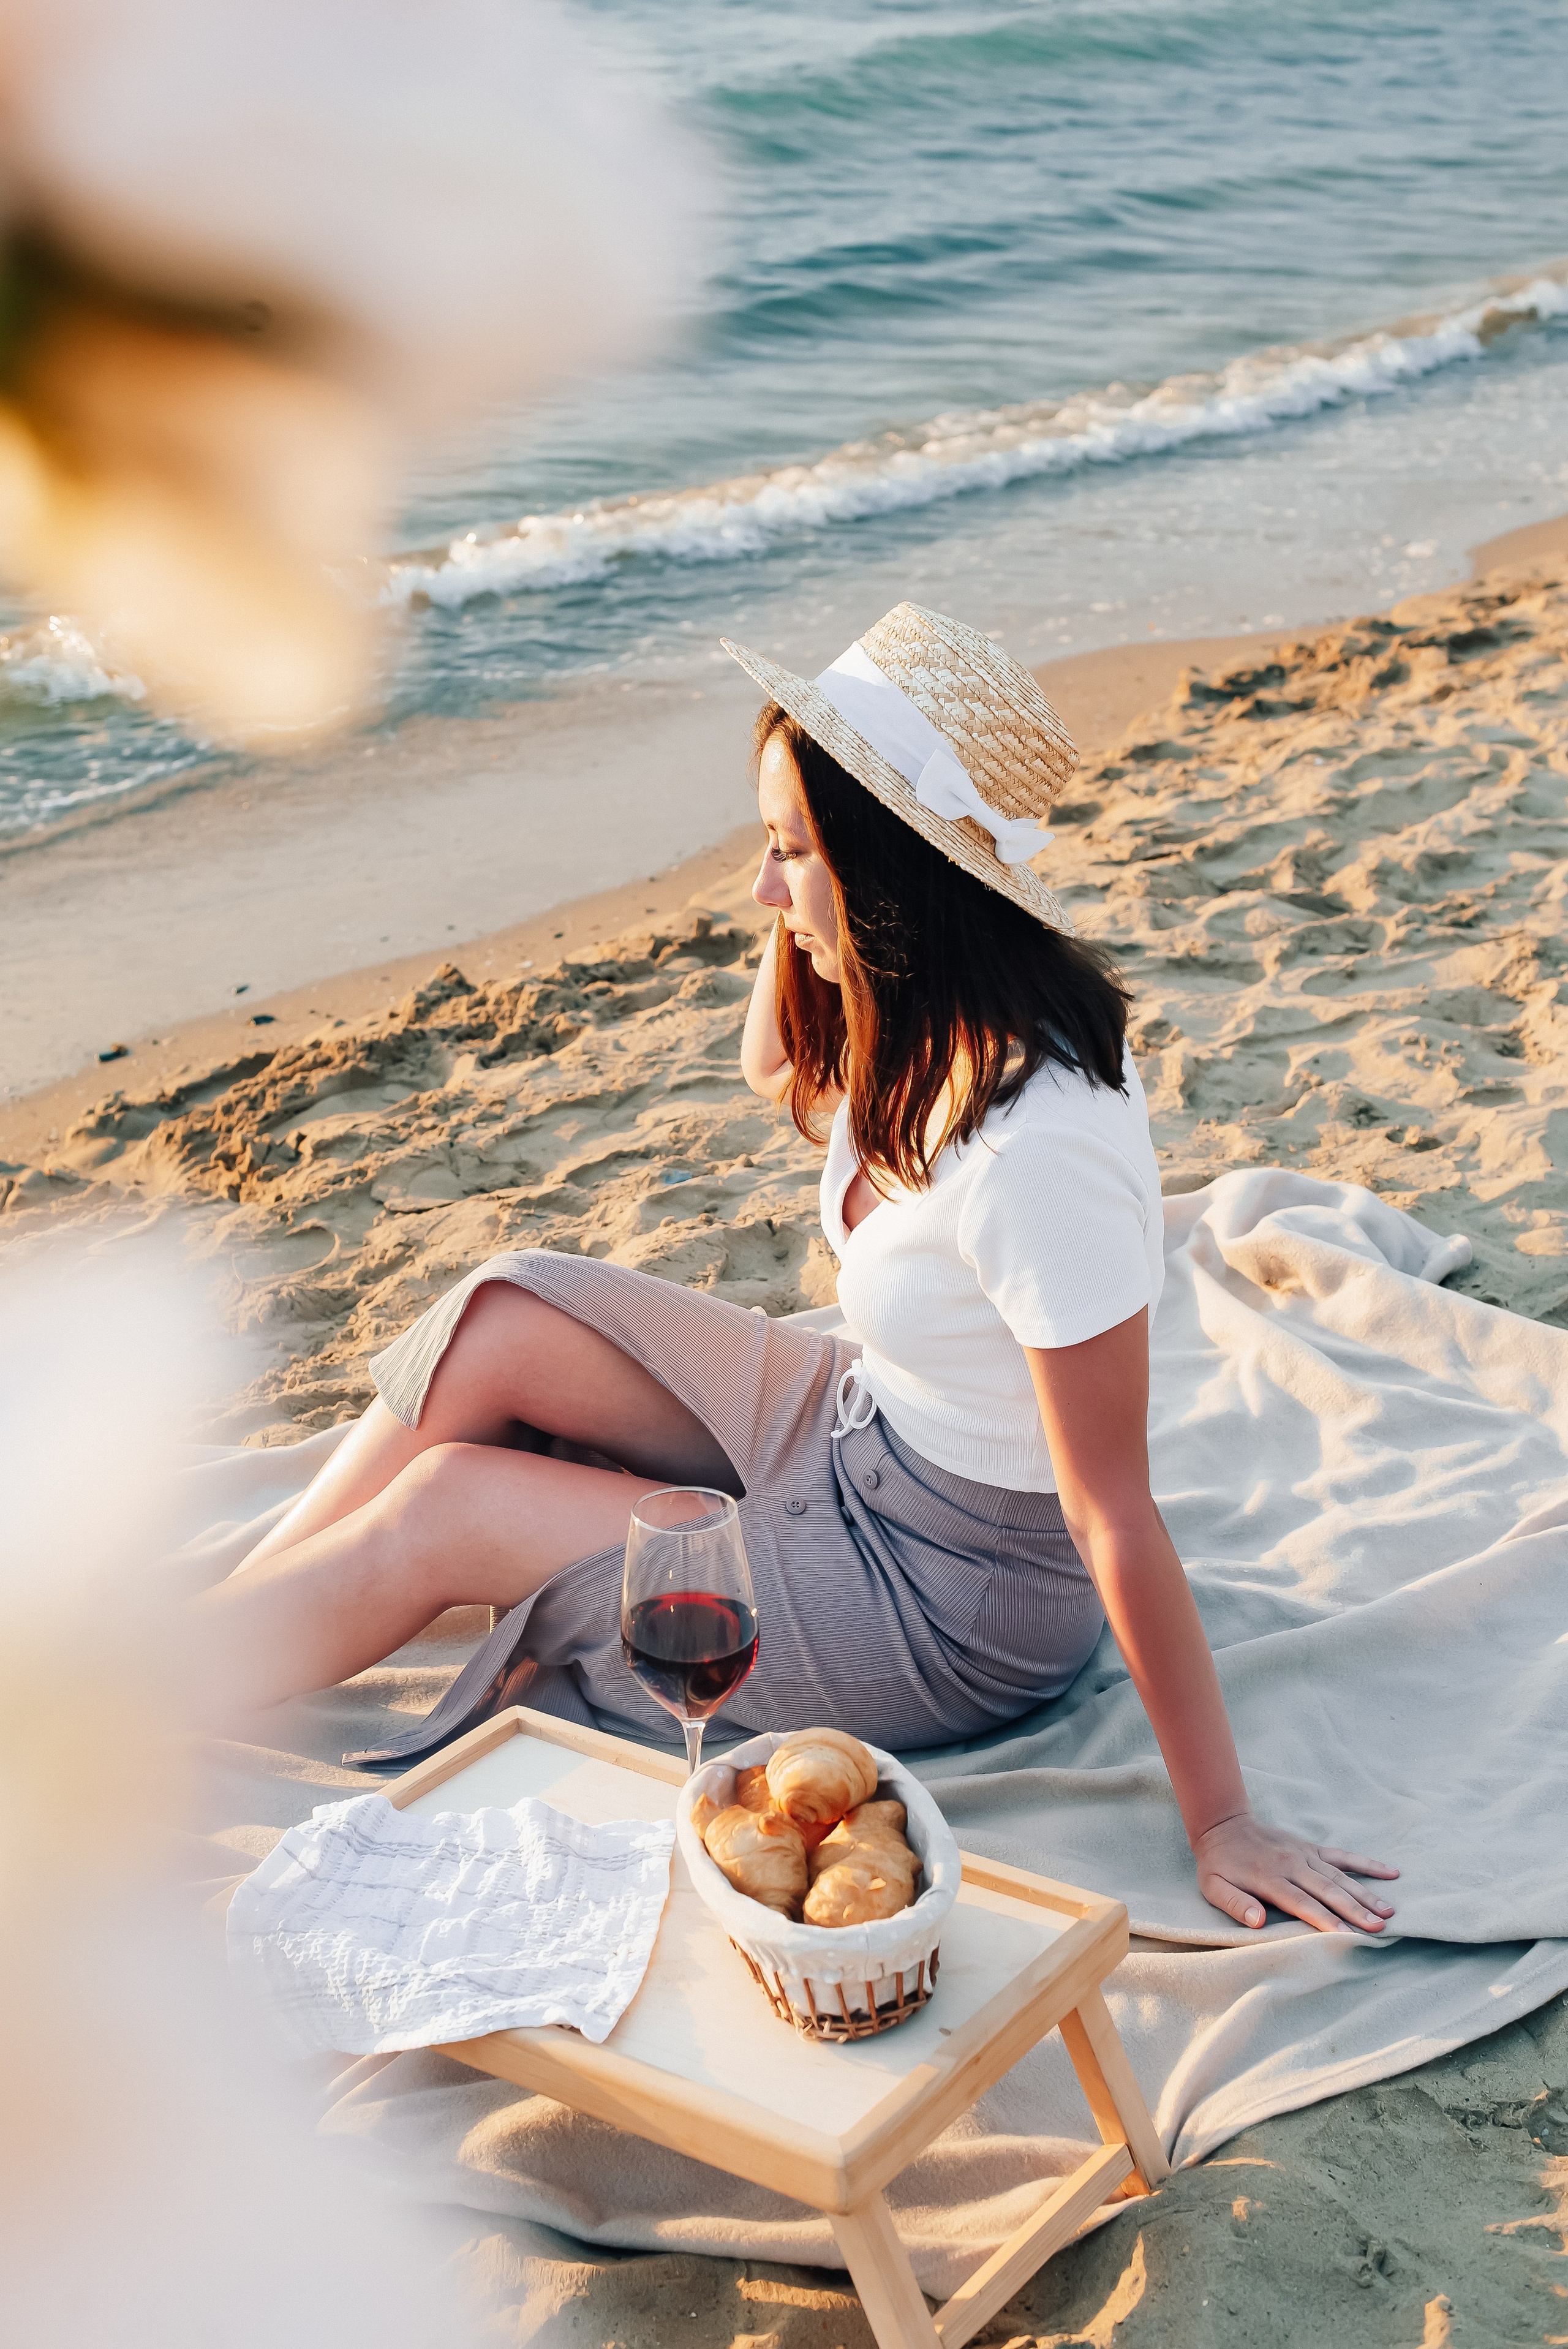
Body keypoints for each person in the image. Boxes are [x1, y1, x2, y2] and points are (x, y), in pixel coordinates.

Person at [195, 601, 1397, 1936]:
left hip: (950, 1592)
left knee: (451, 1506)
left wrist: (1220, 1819)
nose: (762, 891)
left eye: (786, 856)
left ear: (895, 879)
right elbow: (774, 1065)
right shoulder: (925, 1012)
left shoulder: (1036, 1153)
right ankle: (240, 1619)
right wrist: (810, 872)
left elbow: (1110, 1509)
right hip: (851, 1426)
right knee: (502, 1311)